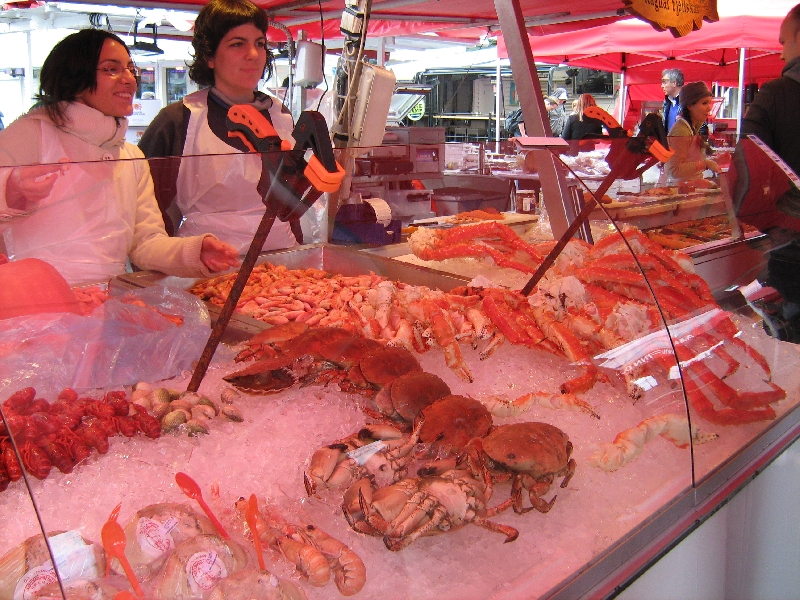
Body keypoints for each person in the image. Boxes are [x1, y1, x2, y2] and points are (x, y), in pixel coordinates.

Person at [0, 29, 239, 286]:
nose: (129, 79)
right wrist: (9, 191)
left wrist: (193, 253)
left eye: (129, 68)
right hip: (32, 305)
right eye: (111, 69)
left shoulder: (130, 156)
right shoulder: (30, 134)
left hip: (106, 303)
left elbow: (145, 242)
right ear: (75, 76)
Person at [139, 0, 302, 253]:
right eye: (237, 44)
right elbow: (145, 214)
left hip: (283, 262)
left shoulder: (281, 115)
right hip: (206, 266)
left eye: (259, 43)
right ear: (209, 56)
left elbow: (292, 204)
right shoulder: (178, 120)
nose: (253, 54)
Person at [663, 82, 720, 183]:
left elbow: (690, 161)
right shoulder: (681, 131)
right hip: (678, 193)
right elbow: (674, 170)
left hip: (690, 190)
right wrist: (705, 164)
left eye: (709, 103)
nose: (709, 108)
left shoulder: (693, 127)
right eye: (704, 103)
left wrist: (716, 161)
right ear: (689, 106)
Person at [661, 68, 684, 134]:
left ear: (674, 83)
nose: (662, 86)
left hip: (684, 143)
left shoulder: (689, 102)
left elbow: (702, 128)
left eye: (664, 83)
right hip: (669, 143)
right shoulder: (667, 103)